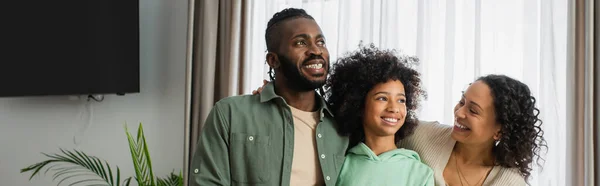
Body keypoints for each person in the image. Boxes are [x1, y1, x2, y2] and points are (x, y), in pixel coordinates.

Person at [189, 8, 348, 186]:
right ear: (273, 60)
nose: (315, 50)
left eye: (320, 42)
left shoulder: (343, 124)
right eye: (301, 43)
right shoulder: (230, 113)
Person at [397, 74, 547, 186]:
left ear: (499, 132)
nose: (459, 113)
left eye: (473, 111)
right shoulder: (420, 136)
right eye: (462, 102)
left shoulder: (509, 182)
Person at [326, 45, 434, 186]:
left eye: (401, 100)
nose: (394, 108)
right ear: (358, 105)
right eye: (382, 98)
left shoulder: (420, 173)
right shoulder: (340, 165)